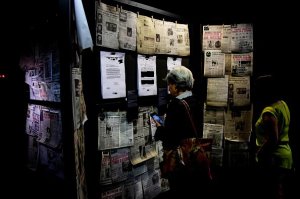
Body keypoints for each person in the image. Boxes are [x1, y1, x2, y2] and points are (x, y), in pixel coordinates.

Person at [154, 66, 210, 198]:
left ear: (177, 85)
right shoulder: (196, 101)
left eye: (170, 84)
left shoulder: (175, 105)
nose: (169, 88)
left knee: (179, 189)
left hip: (180, 161)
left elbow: (171, 137)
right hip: (194, 156)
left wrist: (160, 128)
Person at [254, 74, 293, 199]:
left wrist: (260, 153)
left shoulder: (269, 112)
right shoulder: (282, 104)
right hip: (285, 156)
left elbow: (273, 140)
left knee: (274, 192)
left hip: (273, 159)